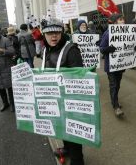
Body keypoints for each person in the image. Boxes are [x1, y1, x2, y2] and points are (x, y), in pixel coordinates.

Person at [41, 18, 84, 165]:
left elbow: (79, 80)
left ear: (62, 33)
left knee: (73, 133)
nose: (53, 36)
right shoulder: (46, 49)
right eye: (49, 33)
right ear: (44, 35)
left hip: (69, 100)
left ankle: (78, 161)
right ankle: (66, 148)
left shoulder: (71, 50)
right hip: (53, 98)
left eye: (57, 33)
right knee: (61, 127)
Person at [100, 13, 126, 117]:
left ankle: (115, 100)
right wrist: (108, 49)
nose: (123, 21)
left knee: (118, 85)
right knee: (113, 85)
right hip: (111, 66)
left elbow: (128, 45)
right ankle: (116, 106)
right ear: (115, 22)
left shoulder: (126, 32)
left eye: (123, 19)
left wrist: (134, 48)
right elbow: (101, 48)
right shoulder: (107, 33)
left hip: (120, 65)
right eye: (120, 19)